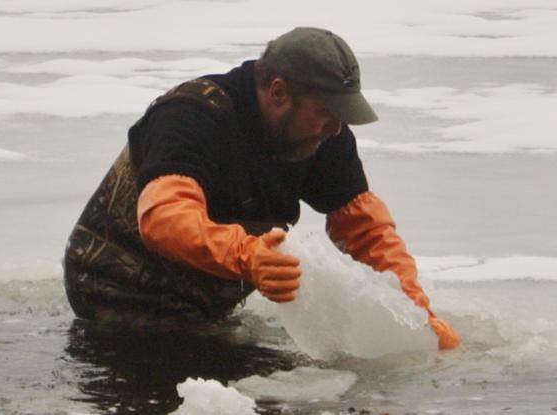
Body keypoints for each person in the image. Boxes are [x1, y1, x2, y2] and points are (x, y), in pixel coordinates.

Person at [63, 27, 460, 348]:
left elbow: (367, 231)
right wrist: (247, 254)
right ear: (277, 92)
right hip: (115, 299)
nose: (336, 127)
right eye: (325, 111)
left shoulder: (325, 135)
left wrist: (416, 315)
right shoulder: (192, 115)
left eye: (341, 115)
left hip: (206, 308)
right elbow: (165, 219)